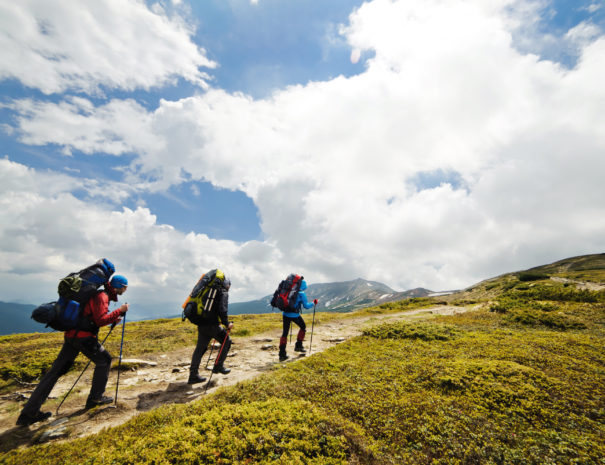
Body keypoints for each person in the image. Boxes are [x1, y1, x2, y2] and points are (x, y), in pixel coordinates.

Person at [16, 275, 129, 426]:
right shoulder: (102, 296)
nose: (125, 290)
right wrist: (119, 311)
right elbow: (100, 320)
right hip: (84, 338)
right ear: (119, 286)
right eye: (125, 287)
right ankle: (95, 398)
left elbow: (92, 316)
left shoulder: (99, 294)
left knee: (54, 372)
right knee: (105, 360)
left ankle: (28, 414)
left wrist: (113, 319)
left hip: (72, 336)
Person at [188, 277, 233, 384]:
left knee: (200, 349)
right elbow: (223, 309)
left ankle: (193, 375)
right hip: (213, 325)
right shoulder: (223, 292)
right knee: (227, 341)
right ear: (227, 285)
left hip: (201, 324)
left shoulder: (208, 291)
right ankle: (218, 366)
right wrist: (227, 323)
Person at [279, 279, 318, 362]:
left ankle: (282, 354)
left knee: (285, 333)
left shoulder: (289, 291)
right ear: (303, 286)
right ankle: (298, 346)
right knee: (303, 327)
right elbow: (306, 306)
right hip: (295, 315)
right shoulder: (301, 294)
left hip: (285, 314)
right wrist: (313, 303)